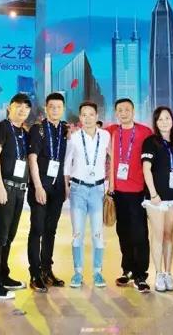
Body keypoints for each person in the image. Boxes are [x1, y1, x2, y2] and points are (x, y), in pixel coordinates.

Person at [0, 93, 32, 299]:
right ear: (9, 107)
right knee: (0, 236)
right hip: (5, 187)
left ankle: (4, 275)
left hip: (19, 190)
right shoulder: (1, 128)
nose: (22, 110)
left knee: (10, 236)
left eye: (26, 107)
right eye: (18, 106)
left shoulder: (23, 132)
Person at [63, 101, 111, 288]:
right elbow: (67, 164)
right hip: (78, 190)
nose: (88, 118)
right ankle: (78, 273)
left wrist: (111, 184)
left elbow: (113, 158)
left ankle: (98, 272)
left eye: (91, 114)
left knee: (98, 234)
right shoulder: (74, 138)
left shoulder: (105, 136)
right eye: (84, 115)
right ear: (80, 117)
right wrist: (66, 186)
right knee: (77, 234)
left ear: (97, 116)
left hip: (98, 190)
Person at [107, 98, 153, 293]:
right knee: (123, 232)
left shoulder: (145, 132)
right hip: (118, 192)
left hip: (138, 192)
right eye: (120, 110)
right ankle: (127, 270)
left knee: (140, 234)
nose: (123, 113)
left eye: (127, 109)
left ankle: (141, 274)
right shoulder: (111, 131)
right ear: (116, 113)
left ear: (133, 111)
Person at [27, 93, 69, 292]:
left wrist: (65, 186)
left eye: (58, 107)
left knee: (51, 231)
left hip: (57, 188)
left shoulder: (65, 130)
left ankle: (47, 270)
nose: (55, 110)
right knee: (37, 230)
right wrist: (38, 187)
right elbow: (32, 159)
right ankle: (35, 274)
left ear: (63, 109)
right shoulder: (38, 129)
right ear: (46, 108)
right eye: (51, 106)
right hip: (41, 187)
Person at [141, 106, 173, 292]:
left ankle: (168, 273)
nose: (164, 122)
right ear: (156, 123)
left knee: (168, 236)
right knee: (157, 235)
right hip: (155, 199)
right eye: (160, 119)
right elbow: (146, 169)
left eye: (167, 118)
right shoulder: (151, 142)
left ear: (172, 120)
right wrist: (153, 194)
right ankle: (158, 274)